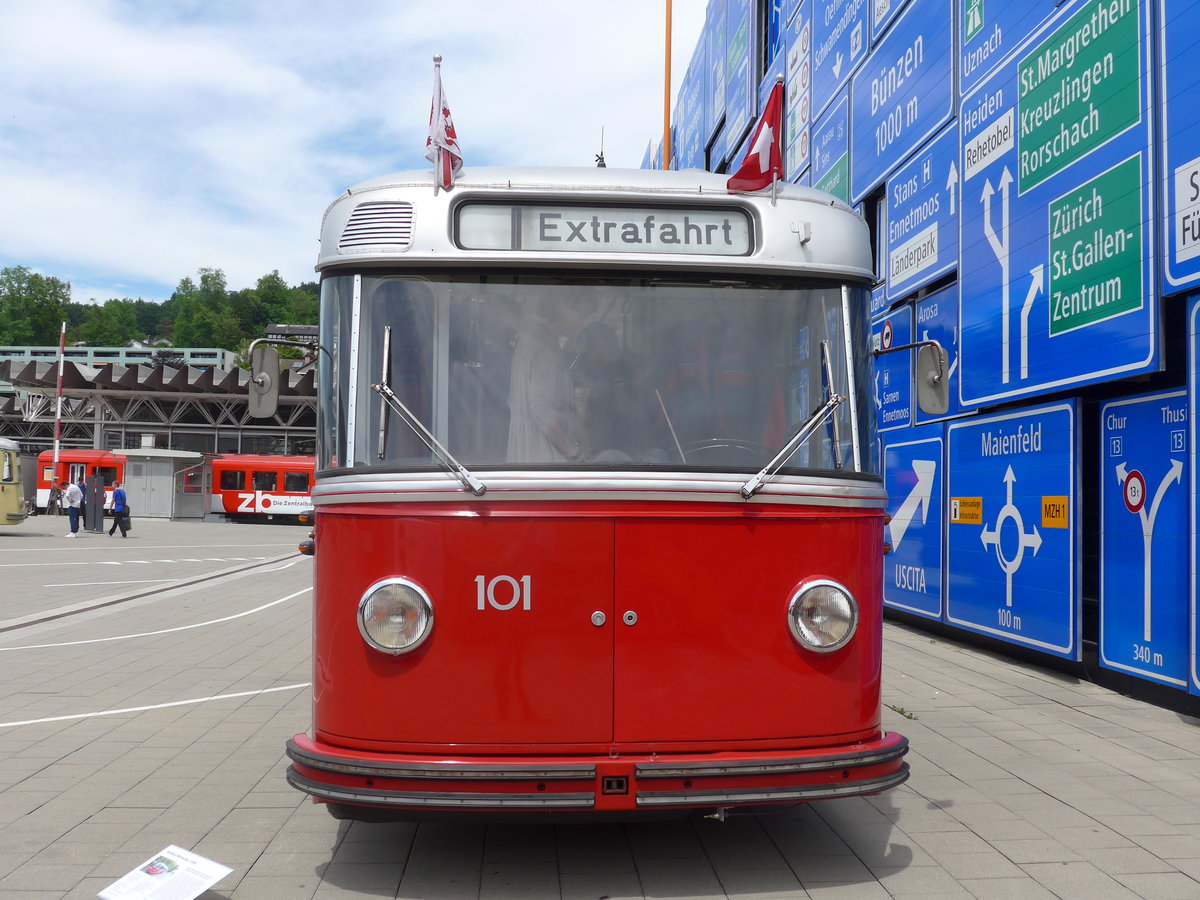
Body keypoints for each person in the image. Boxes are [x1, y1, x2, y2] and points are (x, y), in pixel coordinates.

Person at [506, 292, 595, 462]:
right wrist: (572, 452)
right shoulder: (547, 348)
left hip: (524, 456)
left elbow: (512, 401)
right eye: (580, 313)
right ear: (560, 307)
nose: (582, 322)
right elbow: (541, 409)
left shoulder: (527, 340)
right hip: (545, 459)